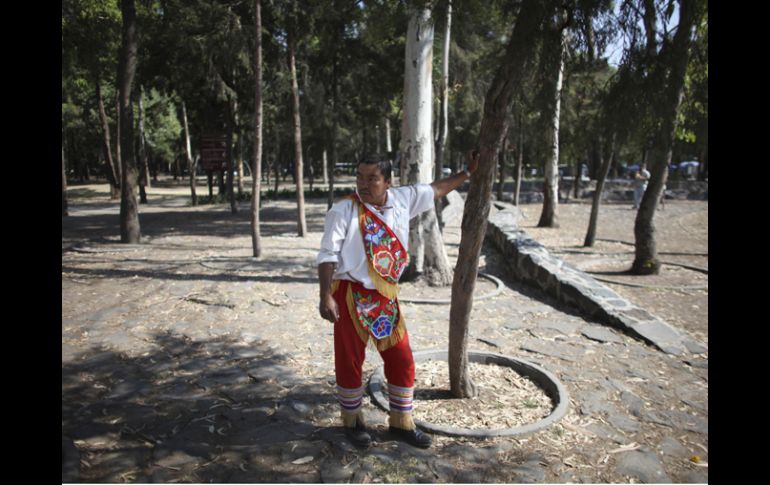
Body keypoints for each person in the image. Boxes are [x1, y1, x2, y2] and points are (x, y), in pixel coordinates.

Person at [317, 151, 480, 449]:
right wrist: (325, 294)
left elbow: (437, 189)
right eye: (359, 178)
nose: (364, 185)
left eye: (372, 179)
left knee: (401, 358)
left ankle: (401, 423)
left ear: (388, 182)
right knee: (350, 361)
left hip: (385, 297)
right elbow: (327, 255)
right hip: (349, 294)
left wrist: (467, 173)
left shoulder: (403, 199)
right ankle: (353, 422)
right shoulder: (343, 211)